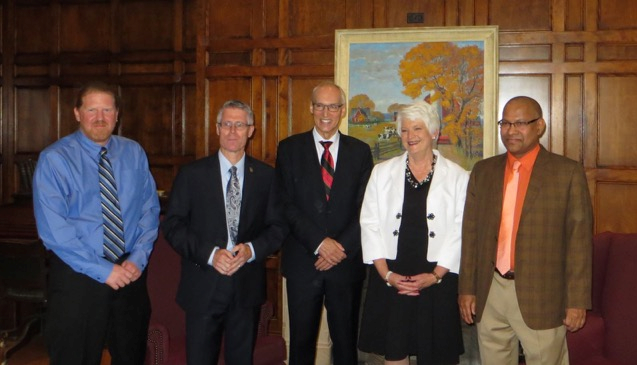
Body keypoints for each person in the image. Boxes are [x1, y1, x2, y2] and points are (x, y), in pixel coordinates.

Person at [458, 96, 593, 364]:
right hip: (491, 290)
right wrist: (467, 289)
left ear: (540, 126)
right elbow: (471, 234)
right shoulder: (483, 171)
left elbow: (579, 243)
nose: (511, 131)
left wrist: (577, 301)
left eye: (520, 123)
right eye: (505, 123)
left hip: (543, 294)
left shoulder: (566, 173)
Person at [32, 81, 160, 364]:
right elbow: (55, 231)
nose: (100, 117)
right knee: (75, 358)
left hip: (130, 273)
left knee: (131, 356)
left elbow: (149, 210)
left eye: (107, 109)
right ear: (77, 113)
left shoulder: (134, 152)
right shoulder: (54, 159)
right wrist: (104, 270)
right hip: (79, 274)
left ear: (117, 114)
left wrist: (138, 258)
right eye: (92, 109)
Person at [161, 100, 287, 364]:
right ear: (217, 129)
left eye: (239, 125)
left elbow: (278, 227)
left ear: (251, 130)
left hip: (245, 288)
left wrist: (252, 250)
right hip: (203, 286)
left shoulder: (266, 176)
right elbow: (173, 225)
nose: (232, 131)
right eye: (226, 124)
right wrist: (210, 254)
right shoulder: (192, 174)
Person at [357, 101, 468, 364]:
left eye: (417, 128)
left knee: (437, 353)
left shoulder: (458, 176)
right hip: (392, 274)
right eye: (405, 130)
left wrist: (435, 276)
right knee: (394, 349)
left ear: (433, 132)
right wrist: (386, 275)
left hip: (437, 276)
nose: (410, 136)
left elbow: (459, 229)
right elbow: (369, 223)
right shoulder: (381, 172)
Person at [276, 81, 374, 364]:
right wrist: (320, 244)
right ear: (311, 108)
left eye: (333, 106)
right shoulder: (289, 149)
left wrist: (339, 248)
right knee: (301, 346)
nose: (326, 112)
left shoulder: (360, 151)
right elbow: (285, 204)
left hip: (345, 264)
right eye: (320, 105)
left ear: (342, 111)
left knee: (345, 346)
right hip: (303, 262)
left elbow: (366, 208)